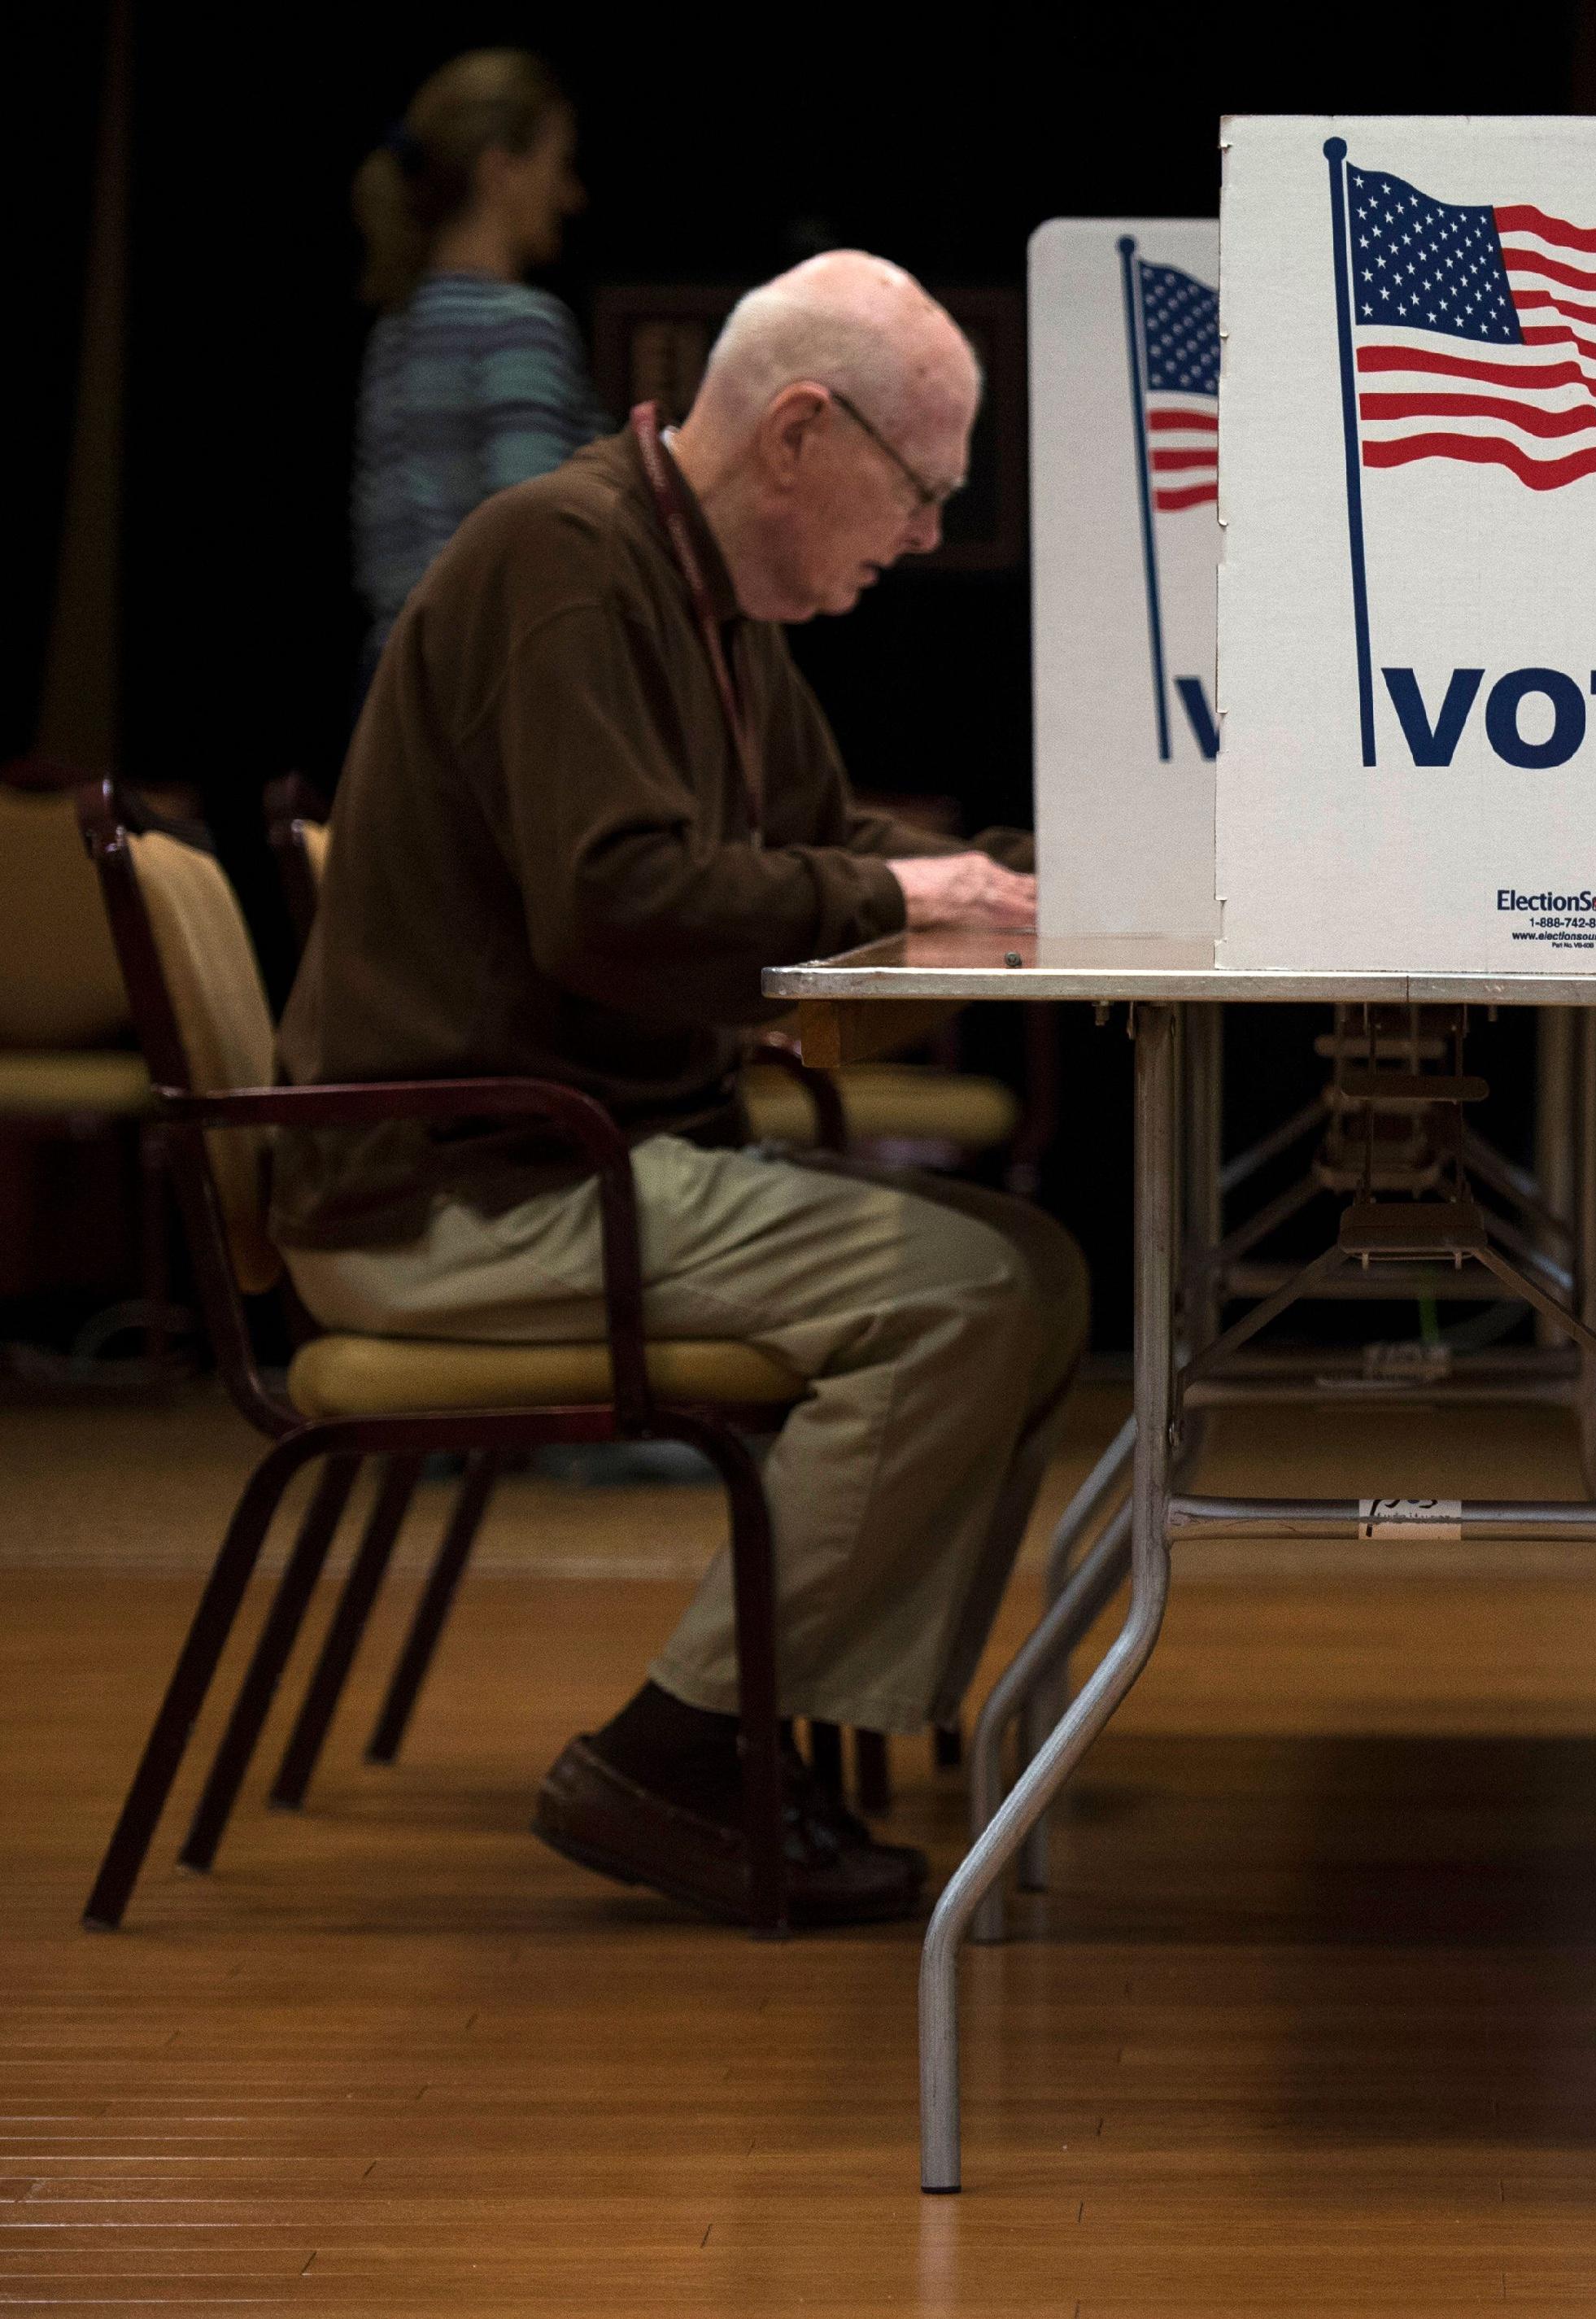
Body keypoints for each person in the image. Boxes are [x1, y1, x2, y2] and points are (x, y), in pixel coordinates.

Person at [273, 251, 1083, 1928]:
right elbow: (619, 902)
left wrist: (1049, 877)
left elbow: (831, 850)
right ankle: (683, 1744)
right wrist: (903, 901)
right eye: (921, 489)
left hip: (566, 1158)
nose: (927, 536)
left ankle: (773, 1725)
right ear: (799, 429)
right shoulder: (566, 566)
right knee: (976, 1294)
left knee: (1044, 1274)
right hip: (457, 1192)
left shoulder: (694, 593)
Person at [349, 49, 601, 676]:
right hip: (486, 689)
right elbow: (537, 542)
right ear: (500, 170)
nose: (571, 196)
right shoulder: (519, 323)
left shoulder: (395, 327)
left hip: (394, 685)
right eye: (557, 165)